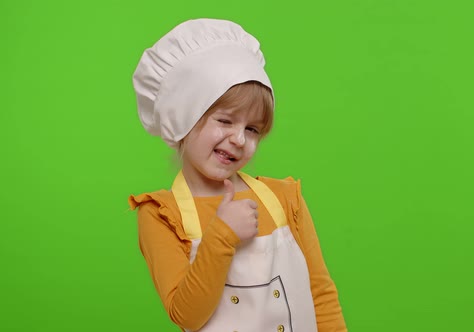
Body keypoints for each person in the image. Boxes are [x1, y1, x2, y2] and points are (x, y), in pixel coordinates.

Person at [128, 18, 347, 332]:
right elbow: (187, 315)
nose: (240, 139)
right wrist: (222, 235)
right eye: (225, 120)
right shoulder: (162, 216)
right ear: (183, 116)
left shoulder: (284, 199)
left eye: (252, 129)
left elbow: (320, 296)